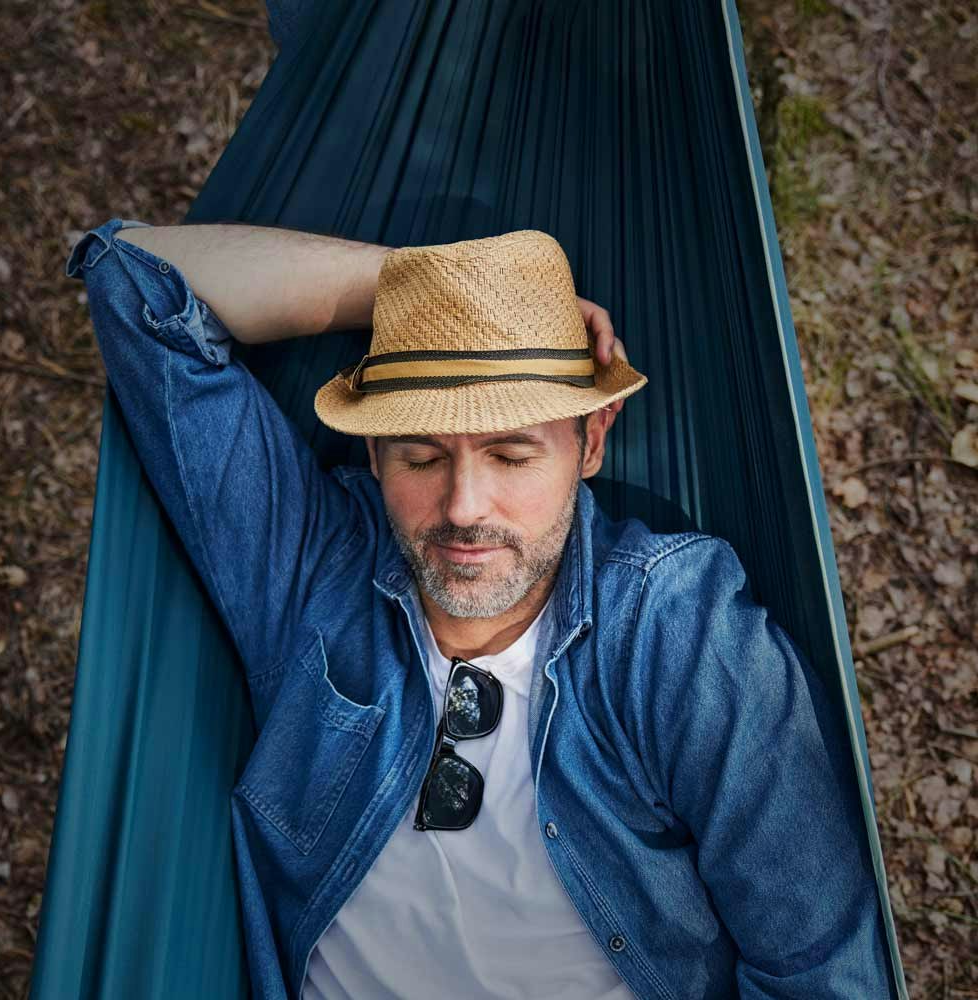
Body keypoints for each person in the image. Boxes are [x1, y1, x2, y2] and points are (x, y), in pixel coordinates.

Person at [65, 217, 894, 1000]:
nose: (464, 507)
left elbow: (821, 968)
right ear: (372, 451)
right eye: (421, 455)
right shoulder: (312, 567)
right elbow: (133, 278)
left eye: (510, 454)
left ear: (592, 439)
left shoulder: (676, 632)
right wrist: (427, 287)